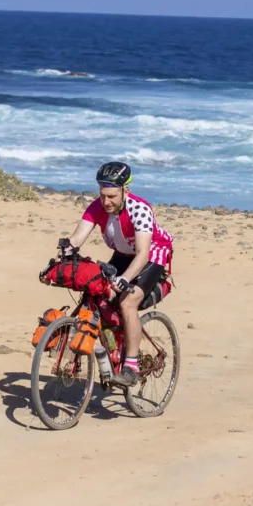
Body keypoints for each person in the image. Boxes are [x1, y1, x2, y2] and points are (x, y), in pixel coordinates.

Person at [61, 161, 174, 387]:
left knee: (127, 302)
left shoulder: (140, 209)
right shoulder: (97, 207)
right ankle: (114, 346)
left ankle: (131, 366)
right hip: (123, 254)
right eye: (103, 195)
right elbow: (76, 239)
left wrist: (124, 279)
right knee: (98, 293)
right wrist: (61, 255)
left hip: (152, 254)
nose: (106, 202)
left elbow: (142, 254)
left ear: (125, 191)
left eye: (112, 196)